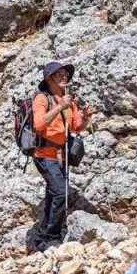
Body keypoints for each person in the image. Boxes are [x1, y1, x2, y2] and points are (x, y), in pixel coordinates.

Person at [31, 61, 90, 252]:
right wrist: (58, 107)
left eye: (65, 73)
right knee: (60, 192)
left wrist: (85, 117)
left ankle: (40, 239)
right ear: (49, 78)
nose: (64, 76)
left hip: (61, 155)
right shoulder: (42, 98)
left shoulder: (68, 100)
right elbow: (38, 125)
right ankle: (52, 237)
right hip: (44, 154)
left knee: (52, 194)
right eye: (59, 74)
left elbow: (75, 127)